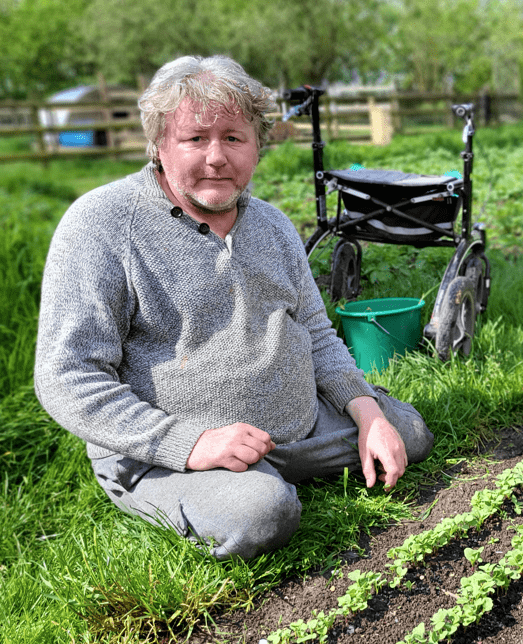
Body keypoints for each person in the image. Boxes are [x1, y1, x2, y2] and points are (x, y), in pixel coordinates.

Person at [34, 55, 434, 560]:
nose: (217, 157)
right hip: (168, 450)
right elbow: (66, 376)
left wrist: (367, 411)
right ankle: (235, 488)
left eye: (234, 138)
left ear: (258, 147)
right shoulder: (101, 225)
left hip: (296, 427)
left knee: (408, 432)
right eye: (196, 139)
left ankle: (281, 466)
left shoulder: (272, 224)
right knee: (262, 514)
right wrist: (189, 443)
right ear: (159, 144)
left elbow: (315, 332)